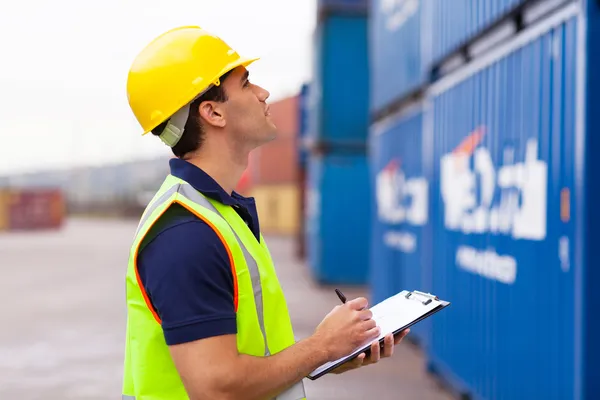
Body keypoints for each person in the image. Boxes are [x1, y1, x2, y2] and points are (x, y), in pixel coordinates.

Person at [122, 25, 409, 400]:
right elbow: (216, 387)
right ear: (212, 112)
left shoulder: (219, 213)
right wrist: (320, 346)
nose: (263, 93)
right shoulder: (186, 232)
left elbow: (248, 358)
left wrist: (334, 351)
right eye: (246, 83)